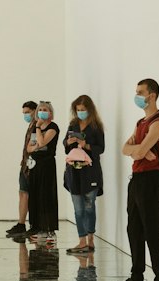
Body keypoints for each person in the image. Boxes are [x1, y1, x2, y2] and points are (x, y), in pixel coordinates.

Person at [114, 78, 159, 281]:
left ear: (152, 95)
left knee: (152, 231)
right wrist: (139, 150)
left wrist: (138, 150)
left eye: (140, 92)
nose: (137, 96)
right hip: (137, 180)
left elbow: (135, 152)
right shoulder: (141, 123)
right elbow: (124, 148)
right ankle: (136, 278)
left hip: (150, 182)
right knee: (134, 229)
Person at [63, 95, 105, 253]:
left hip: (91, 172)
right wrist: (68, 142)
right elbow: (65, 145)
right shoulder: (73, 124)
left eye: (83, 110)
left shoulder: (96, 127)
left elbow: (101, 148)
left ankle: (90, 239)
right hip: (74, 172)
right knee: (78, 209)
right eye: (78, 110)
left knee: (89, 207)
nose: (80, 112)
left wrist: (85, 145)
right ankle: (81, 241)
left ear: (90, 110)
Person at [25, 101, 59, 241]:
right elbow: (29, 148)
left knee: (46, 195)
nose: (42, 112)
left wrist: (38, 128)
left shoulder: (53, 127)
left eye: (45, 109)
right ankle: (37, 226)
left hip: (47, 165)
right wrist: (36, 145)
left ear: (50, 112)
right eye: (40, 109)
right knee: (35, 195)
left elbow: (42, 142)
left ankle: (49, 229)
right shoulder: (34, 128)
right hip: (35, 165)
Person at [6, 102, 38, 239]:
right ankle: (21, 223)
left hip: (33, 165)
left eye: (27, 112)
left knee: (30, 195)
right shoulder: (31, 126)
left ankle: (33, 224)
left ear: (34, 111)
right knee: (22, 193)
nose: (25, 115)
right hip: (25, 164)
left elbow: (34, 146)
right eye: (24, 113)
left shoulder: (37, 126)